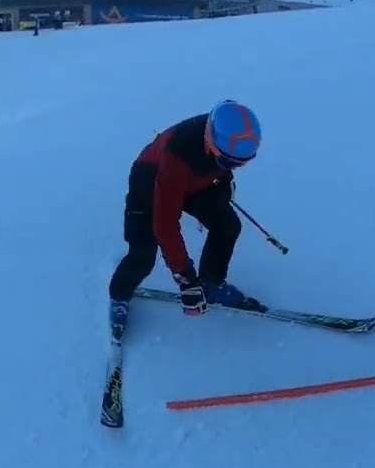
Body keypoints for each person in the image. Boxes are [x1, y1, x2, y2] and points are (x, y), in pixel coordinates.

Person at [108, 100, 262, 332]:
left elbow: (222, 170)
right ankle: (119, 296)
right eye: (227, 161)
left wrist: (222, 187)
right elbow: (165, 224)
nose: (232, 166)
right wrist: (186, 278)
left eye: (240, 163)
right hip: (150, 184)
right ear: (211, 141)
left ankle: (212, 283)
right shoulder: (177, 154)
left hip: (193, 184)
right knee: (143, 254)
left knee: (227, 225)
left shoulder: (226, 138)